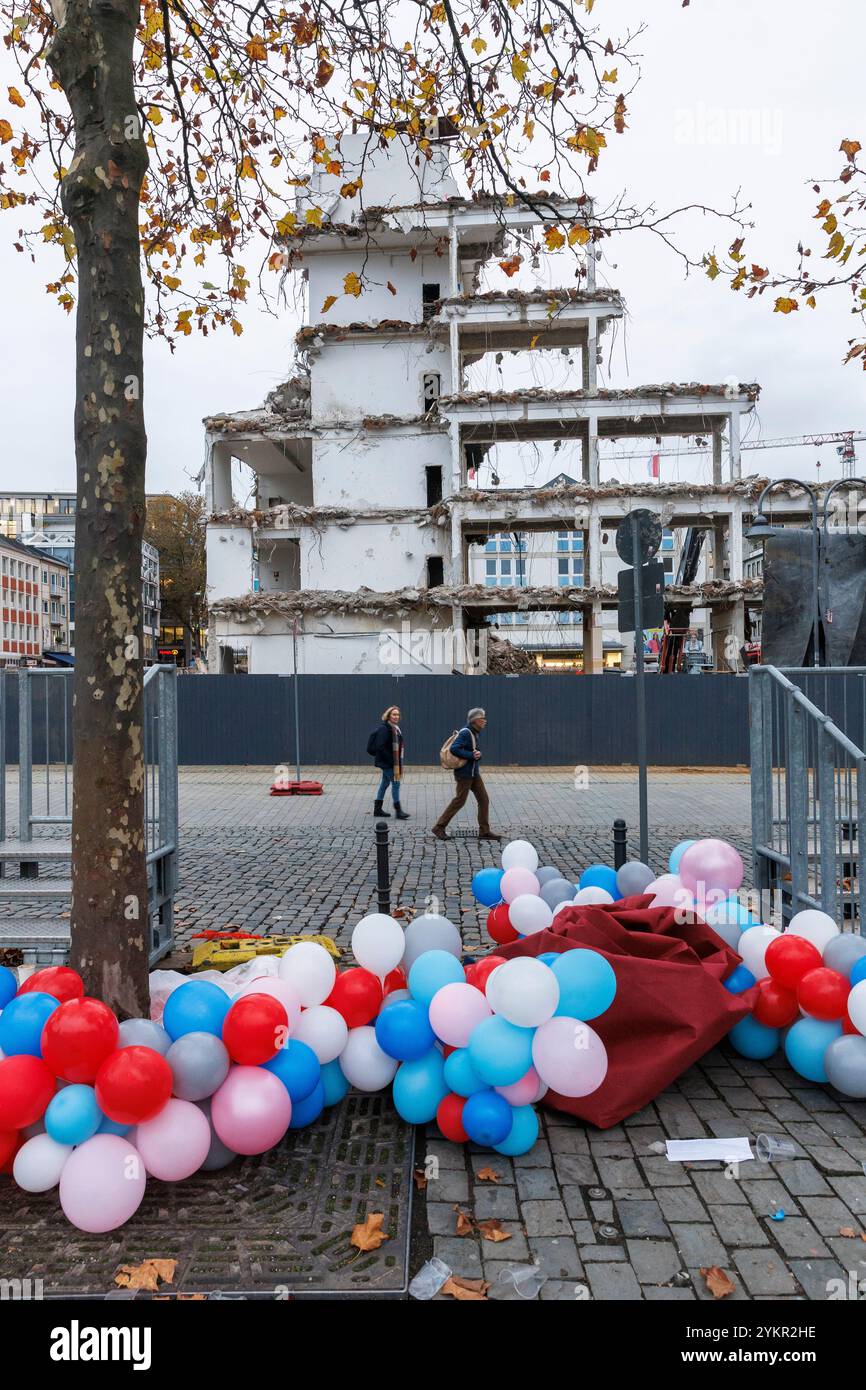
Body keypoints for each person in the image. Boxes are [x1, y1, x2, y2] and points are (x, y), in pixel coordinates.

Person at [432, 707, 501, 841]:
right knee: (459, 801)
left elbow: (474, 752)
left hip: (473, 773)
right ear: (475, 720)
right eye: (483, 718)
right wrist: (471, 755)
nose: (485, 721)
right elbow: (454, 748)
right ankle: (439, 827)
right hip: (464, 774)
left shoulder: (475, 732)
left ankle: (484, 831)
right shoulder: (466, 732)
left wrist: (477, 755)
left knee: (484, 799)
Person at [366, 705, 409, 819]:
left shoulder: (394, 728)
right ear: (388, 715)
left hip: (389, 762)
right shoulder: (385, 729)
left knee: (385, 783)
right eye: (394, 714)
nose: (396, 716)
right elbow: (380, 747)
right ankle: (398, 811)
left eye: (398, 715)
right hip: (388, 762)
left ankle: (377, 809)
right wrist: (391, 760)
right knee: (396, 783)